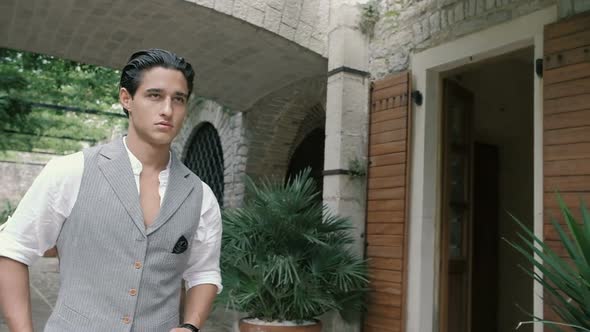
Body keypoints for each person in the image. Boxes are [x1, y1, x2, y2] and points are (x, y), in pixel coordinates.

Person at [0, 49, 222, 332]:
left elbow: (203, 271)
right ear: (126, 99)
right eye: (155, 95)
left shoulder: (201, 196)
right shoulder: (71, 171)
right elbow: (13, 249)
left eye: (178, 99)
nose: (168, 110)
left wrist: (191, 326)